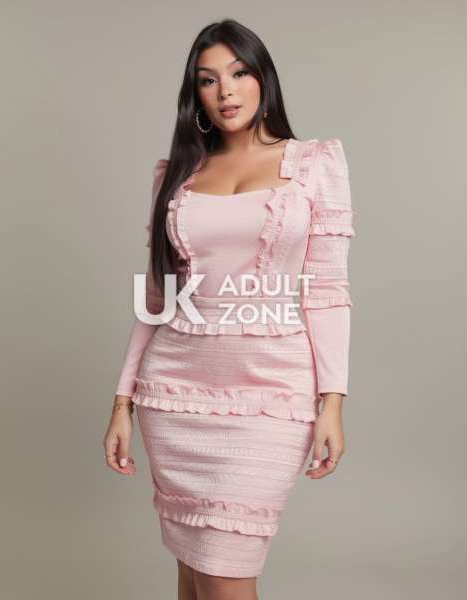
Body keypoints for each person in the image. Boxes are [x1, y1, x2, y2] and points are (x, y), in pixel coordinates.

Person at [103, 18, 355, 600]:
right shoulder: (178, 175)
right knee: (193, 573)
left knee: (223, 573)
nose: (226, 92)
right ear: (195, 93)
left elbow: (327, 290)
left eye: (239, 73)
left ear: (264, 78)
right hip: (174, 393)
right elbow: (157, 300)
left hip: (271, 395)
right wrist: (122, 402)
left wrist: (333, 402)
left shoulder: (314, 164)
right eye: (208, 79)